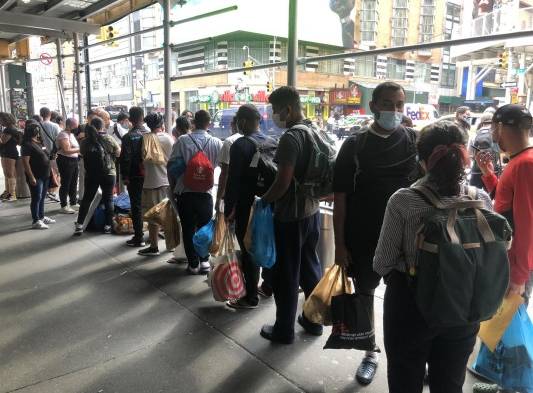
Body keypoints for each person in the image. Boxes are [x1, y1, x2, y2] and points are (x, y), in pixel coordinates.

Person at [374, 121, 493, 393]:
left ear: (422, 159)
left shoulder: (403, 200)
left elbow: (382, 263)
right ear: (465, 156)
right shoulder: (480, 199)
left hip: (410, 303)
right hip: (464, 303)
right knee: (450, 382)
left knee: (405, 378)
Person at [333, 81, 417, 385]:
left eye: (399, 105)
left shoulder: (413, 142)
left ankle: (408, 355)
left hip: (406, 241)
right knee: (365, 296)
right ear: (373, 106)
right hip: (364, 237)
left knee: (405, 301)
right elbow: (340, 198)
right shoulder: (354, 146)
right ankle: (370, 353)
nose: (394, 111)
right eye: (387, 104)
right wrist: (339, 245)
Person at [258, 86, 324, 344]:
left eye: (275, 110)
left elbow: (283, 182)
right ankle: (313, 321)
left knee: (287, 274)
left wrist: (263, 201)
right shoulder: (315, 129)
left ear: (287, 109)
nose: (274, 115)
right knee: (310, 268)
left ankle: (284, 330)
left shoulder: (290, 138)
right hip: (312, 211)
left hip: (291, 216)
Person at [476, 104, 533, 304]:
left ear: (500, 127)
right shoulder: (520, 161)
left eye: (493, 128)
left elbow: (526, 223)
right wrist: (488, 174)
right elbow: (507, 201)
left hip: (514, 263)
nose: (492, 134)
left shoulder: (525, 164)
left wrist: (519, 276)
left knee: (502, 331)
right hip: (511, 259)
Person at [224, 105, 276, 309]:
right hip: (269, 203)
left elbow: (233, 181)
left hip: (248, 206)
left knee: (249, 249)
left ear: (243, 122)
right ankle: (268, 286)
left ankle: (251, 296)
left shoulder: (241, 145)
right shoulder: (271, 141)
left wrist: (229, 209)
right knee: (269, 243)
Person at [171, 109, 222, 274]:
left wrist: (173, 188)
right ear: (209, 124)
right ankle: (204, 261)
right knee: (204, 228)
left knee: (187, 229)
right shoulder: (216, 142)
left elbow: (171, 167)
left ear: (193, 123)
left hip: (185, 193)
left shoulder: (183, 140)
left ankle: (193, 264)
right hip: (206, 194)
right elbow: (223, 168)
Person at [74, 117, 121, 236]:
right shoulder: (108, 138)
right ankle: (108, 226)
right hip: (109, 173)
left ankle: (79, 225)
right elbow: (118, 152)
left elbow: (82, 153)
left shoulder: (85, 141)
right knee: (108, 198)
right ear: (102, 126)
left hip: (92, 174)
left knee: (87, 199)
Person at [138, 112, 174, 256]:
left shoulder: (145, 139)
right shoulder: (168, 139)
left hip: (151, 182)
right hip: (167, 182)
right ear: (162, 125)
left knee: (153, 216)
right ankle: (171, 246)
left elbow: (141, 161)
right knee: (169, 216)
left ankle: (154, 247)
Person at [21, 121, 55, 229]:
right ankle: (36, 220)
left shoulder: (39, 142)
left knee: (42, 197)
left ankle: (41, 216)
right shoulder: (26, 145)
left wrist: (51, 157)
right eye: (36, 130)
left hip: (45, 174)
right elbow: (25, 162)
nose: (37, 132)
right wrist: (31, 177)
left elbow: (44, 155)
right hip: (36, 176)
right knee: (36, 197)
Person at [120, 106, 146, 247]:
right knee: (151, 204)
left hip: (135, 175)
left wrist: (125, 176)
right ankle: (154, 237)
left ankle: (139, 237)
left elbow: (126, 158)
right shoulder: (149, 134)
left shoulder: (128, 137)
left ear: (130, 119)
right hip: (151, 176)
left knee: (136, 206)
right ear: (142, 117)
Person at [469, 112, 501, 191]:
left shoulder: (475, 135)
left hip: (476, 170)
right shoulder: (495, 135)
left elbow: (470, 153)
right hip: (492, 170)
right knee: (491, 194)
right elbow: (499, 151)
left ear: (482, 121)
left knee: (475, 196)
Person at [215, 116, 241, 212]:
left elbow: (224, 174)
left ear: (232, 125)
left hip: (232, 194)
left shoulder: (230, 141)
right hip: (251, 194)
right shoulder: (255, 139)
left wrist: (218, 199)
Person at [56, 118, 80, 214]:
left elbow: (73, 148)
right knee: (66, 183)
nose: (76, 128)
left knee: (73, 182)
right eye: (75, 126)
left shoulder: (71, 135)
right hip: (65, 161)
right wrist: (80, 149)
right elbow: (66, 150)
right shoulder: (63, 135)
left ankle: (73, 202)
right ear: (69, 126)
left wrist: (77, 149)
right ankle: (64, 205)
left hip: (74, 160)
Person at [39, 107, 61, 201]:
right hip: (54, 153)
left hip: (41, 154)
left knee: (46, 173)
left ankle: (47, 192)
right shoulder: (55, 126)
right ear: (50, 115)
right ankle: (54, 192)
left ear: (41, 114)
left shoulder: (37, 125)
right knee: (56, 173)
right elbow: (59, 139)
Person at [0, 112, 20, 201]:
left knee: (9, 173)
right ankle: (8, 192)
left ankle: (12, 194)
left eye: (1, 119)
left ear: (5, 119)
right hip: (7, 152)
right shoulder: (11, 128)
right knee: (7, 173)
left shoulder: (9, 129)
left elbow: (3, 141)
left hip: (9, 152)